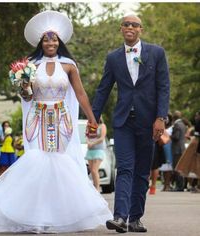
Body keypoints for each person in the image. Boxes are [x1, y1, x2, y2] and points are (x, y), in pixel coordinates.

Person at [0, 10, 112, 234]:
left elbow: (81, 95)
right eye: (46, 39)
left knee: (58, 163)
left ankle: (59, 215)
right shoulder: (30, 65)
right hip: (36, 119)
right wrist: (24, 87)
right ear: (40, 42)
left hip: (61, 121)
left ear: (60, 42)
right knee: (37, 162)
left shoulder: (68, 65)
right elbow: (26, 97)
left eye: (54, 38)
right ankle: (35, 215)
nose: (50, 42)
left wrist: (93, 119)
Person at [91, 13, 170, 233]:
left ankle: (135, 218)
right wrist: (92, 118)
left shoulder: (156, 53)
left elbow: (164, 87)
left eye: (134, 25)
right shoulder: (113, 57)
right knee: (124, 168)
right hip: (123, 120)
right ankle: (119, 216)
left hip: (149, 122)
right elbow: (103, 89)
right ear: (121, 28)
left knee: (142, 171)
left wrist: (161, 117)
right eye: (126, 24)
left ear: (140, 30)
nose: (130, 27)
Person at [85, 117, 107, 191]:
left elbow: (102, 138)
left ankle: (97, 189)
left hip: (98, 150)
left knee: (94, 170)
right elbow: (87, 136)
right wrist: (88, 142)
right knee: (91, 171)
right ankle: (94, 188)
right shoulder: (89, 125)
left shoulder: (102, 126)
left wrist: (92, 143)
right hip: (90, 151)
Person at [171, 110, 187, 191]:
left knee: (177, 168)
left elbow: (176, 137)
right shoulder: (183, 124)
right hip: (182, 148)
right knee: (180, 168)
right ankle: (181, 186)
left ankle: (179, 186)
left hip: (177, 149)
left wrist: (170, 135)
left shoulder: (177, 124)